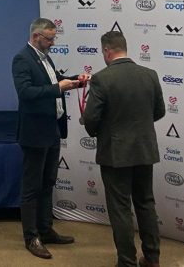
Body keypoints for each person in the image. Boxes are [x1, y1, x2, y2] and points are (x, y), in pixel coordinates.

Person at [82, 31, 165, 267]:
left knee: (120, 209)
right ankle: (152, 259)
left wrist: (98, 129)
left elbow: (91, 119)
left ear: (107, 50)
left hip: (115, 153)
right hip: (144, 150)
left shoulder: (102, 79)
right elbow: (159, 111)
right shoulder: (150, 75)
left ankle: (127, 262)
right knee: (146, 204)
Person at [12, 17, 86, 259]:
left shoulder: (45, 58)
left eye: (54, 38)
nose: (53, 43)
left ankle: (45, 229)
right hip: (34, 132)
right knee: (32, 187)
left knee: (48, 183)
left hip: (52, 129)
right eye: (50, 38)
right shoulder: (22, 59)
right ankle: (31, 237)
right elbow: (26, 92)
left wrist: (76, 82)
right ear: (36, 37)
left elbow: (54, 83)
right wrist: (58, 88)